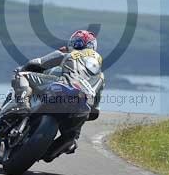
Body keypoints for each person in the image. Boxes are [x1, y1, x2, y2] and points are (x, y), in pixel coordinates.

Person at [10, 29, 104, 162]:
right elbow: (95, 111)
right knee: (71, 137)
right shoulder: (100, 75)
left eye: (78, 43)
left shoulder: (69, 52)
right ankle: (65, 144)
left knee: (21, 75)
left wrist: (25, 68)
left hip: (63, 88)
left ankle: (22, 105)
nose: (77, 45)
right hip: (83, 103)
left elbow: (38, 63)